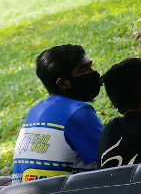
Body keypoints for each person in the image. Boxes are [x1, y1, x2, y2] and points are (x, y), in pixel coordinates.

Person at [12, 45, 102, 184]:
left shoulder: (35, 111)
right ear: (62, 83)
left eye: (91, 66)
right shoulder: (78, 112)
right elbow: (109, 160)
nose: (93, 73)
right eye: (84, 70)